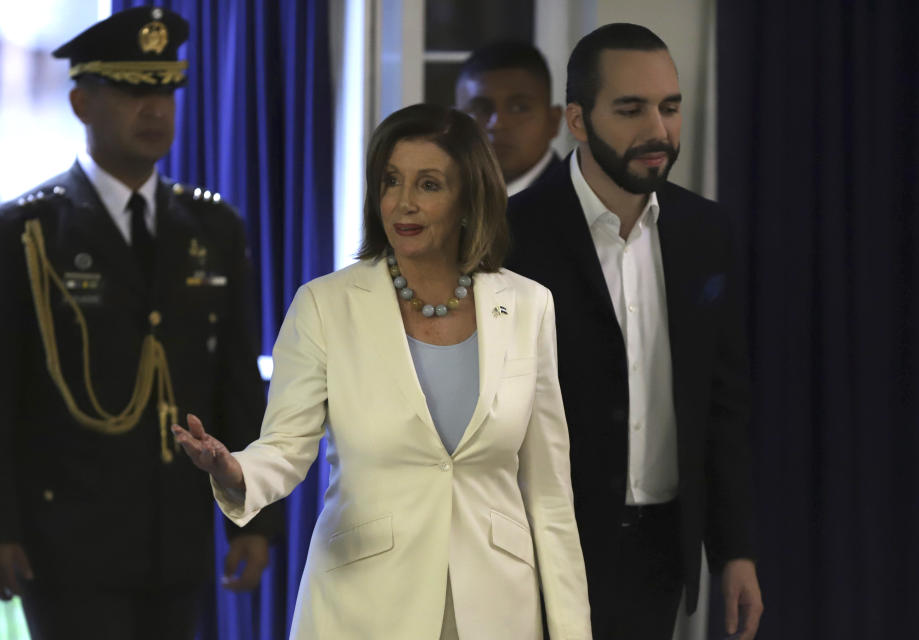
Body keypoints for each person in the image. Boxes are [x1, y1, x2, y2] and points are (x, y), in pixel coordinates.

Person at [172, 103, 592, 640]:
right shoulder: (324, 304)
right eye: (391, 181)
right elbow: (284, 446)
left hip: (497, 608)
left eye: (430, 184)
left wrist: (573, 630)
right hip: (362, 605)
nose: (404, 202)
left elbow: (550, 495)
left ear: (469, 199)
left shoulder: (529, 306)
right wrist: (232, 470)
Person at [0, 7, 279, 639]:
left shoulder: (212, 227)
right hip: (65, 540)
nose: (154, 110)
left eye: (164, 92)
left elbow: (237, 380)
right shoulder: (26, 233)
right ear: (80, 102)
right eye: (131, 91)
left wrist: (255, 520)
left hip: (176, 537)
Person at [506, 23, 763, 640]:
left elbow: (723, 404)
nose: (659, 130)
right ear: (576, 119)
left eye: (669, 107)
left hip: (661, 549)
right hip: (538, 545)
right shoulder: (512, 235)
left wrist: (734, 551)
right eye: (631, 109)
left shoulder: (706, 232)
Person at [456, 41, 563, 197]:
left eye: (519, 108)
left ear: (553, 121)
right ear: (455, 124)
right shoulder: (442, 201)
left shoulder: (582, 208)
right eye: (481, 109)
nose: (497, 124)